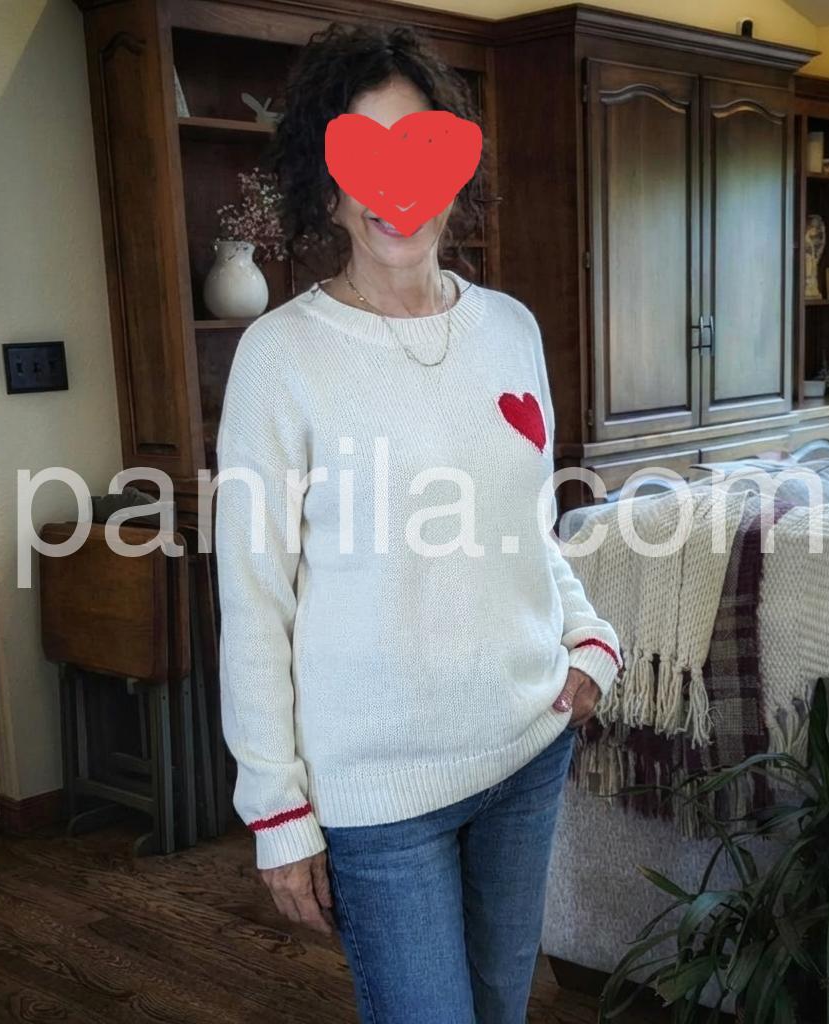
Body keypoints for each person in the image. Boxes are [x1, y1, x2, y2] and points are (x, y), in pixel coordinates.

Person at [214, 21, 622, 1024]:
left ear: (456, 169)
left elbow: (524, 534)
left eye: (421, 150)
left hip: (526, 749)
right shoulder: (280, 356)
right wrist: (276, 807)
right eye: (365, 156)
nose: (395, 188)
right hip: (379, 797)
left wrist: (589, 634)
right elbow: (254, 598)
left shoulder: (511, 330)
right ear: (327, 185)